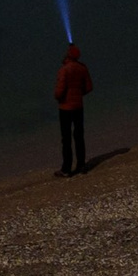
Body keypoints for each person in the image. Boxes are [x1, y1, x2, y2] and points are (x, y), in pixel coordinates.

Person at [53, 42, 92, 176]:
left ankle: (66, 169)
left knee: (66, 139)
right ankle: (81, 165)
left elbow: (59, 92)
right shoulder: (82, 68)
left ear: (68, 55)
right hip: (78, 107)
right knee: (79, 136)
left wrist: (59, 98)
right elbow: (88, 87)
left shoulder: (64, 70)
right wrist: (78, 95)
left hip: (65, 108)